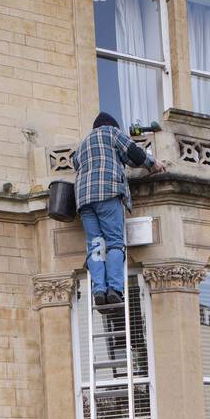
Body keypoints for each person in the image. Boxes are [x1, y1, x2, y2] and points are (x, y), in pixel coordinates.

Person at [72, 112, 166, 311]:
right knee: (115, 242)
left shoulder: (82, 144)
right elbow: (134, 153)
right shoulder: (112, 133)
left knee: (95, 245)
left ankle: (98, 289)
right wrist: (153, 163)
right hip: (107, 193)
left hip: (84, 200)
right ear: (111, 125)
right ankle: (114, 289)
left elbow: (76, 165)